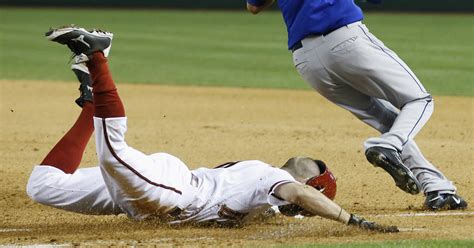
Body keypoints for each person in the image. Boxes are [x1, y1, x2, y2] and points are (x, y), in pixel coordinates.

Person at [26, 25, 398, 232]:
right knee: (114, 151)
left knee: (43, 186)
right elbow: (299, 196)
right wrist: (351, 219)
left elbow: (295, 200)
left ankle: (92, 103)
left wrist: (304, 204)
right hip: (170, 192)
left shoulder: (266, 198)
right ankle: (98, 55)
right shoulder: (269, 180)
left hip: (160, 189)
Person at [245, 0, 467, 210]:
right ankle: (388, 145)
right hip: (345, 41)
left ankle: (438, 189)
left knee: (384, 118)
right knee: (419, 100)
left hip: (306, 61)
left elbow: (253, 6)